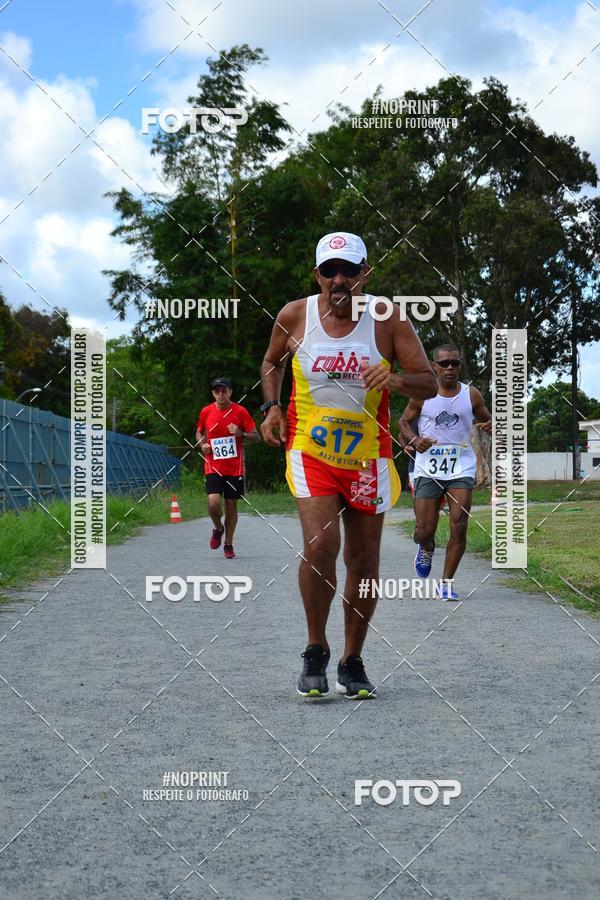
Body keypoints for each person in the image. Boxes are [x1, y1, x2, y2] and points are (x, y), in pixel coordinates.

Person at [260, 231, 437, 699]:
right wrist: (272, 407)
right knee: (321, 545)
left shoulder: (388, 319)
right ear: (316, 274)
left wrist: (395, 379)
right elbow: (271, 362)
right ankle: (315, 649)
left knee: (362, 559)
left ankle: (352, 660)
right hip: (310, 450)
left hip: (368, 457)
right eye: (330, 270)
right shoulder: (295, 315)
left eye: (350, 271)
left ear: (365, 275)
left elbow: (429, 382)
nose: (340, 280)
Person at [399, 345, 492, 600]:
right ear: (435, 366)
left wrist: (491, 424)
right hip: (428, 467)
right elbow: (403, 422)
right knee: (423, 530)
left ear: (460, 365)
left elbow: (487, 418)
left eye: (455, 363)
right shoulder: (423, 394)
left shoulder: (471, 395)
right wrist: (415, 440)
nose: (450, 367)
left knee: (459, 523)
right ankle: (426, 546)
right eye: (445, 363)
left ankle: (446, 583)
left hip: (461, 465)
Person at [195, 377, 260, 559]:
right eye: (217, 391)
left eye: (224, 390)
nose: (220, 394)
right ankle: (218, 528)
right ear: (213, 393)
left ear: (230, 392)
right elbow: (199, 431)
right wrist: (202, 445)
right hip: (213, 465)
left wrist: (240, 433)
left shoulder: (240, 412)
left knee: (231, 506)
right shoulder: (206, 411)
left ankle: (228, 543)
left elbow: (256, 437)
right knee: (214, 502)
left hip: (234, 468)